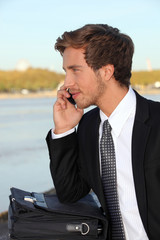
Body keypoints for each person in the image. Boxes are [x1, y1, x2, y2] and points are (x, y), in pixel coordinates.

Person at [46, 24, 160, 240]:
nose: (66, 83)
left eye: (75, 70)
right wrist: (63, 130)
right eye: (65, 72)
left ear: (107, 71)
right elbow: (70, 193)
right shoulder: (88, 125)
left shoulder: (157, 121)